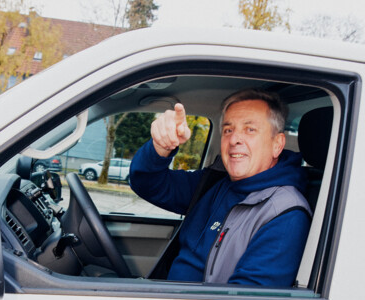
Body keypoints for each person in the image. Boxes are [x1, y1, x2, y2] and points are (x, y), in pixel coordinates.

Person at [129, 89, 311, 286]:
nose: (234, 140)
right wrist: (161, 145)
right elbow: (146, 183)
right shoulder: (215, 183)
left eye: (250, 130)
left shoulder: (285, 214)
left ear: (277, 144)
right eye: (228, 130)